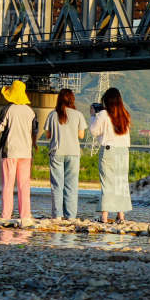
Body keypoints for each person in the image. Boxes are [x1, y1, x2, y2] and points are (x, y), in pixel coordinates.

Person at [0, 80, 36, 226]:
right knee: (24, 185)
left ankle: (6, 215)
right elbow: (34, 131)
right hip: (26, 152)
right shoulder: (30, 112)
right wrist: (33, 146)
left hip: (10, 151)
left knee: (8, 184)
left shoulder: (8, 110)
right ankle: (26, 215)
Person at [40, 88, 87, 219]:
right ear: (72, 99)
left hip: (57, 152)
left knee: (57, 186)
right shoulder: (78, 115)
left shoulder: (52, 114)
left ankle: (57, 216)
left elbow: (48, 135)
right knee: (71, 186)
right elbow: (81, 135)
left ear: (59, 99)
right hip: (73, 153)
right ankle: (71, 216)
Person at [90, 87, 133, 223]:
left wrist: (93, 115)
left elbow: (94, 131)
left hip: (108, 150)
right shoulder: (126, 114)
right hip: (124, 152)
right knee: (121, 183)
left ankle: (104, 216)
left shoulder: (103, 114)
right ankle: (121, 216)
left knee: (107, 184)